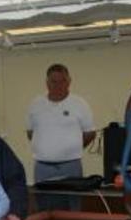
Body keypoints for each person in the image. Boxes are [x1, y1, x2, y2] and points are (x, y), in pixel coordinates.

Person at [26, 63, 95, 211]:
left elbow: (90, 133)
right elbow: (31, 133)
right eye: (53, 81)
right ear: (47, 82)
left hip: (71, 167)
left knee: (72, 207)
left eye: (62, 81)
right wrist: (48, 148)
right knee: (43, 209)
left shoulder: (79, 104)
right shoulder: (35, 104)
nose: (58, 85)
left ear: (69, 81)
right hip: (42, 168)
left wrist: (72, 148)